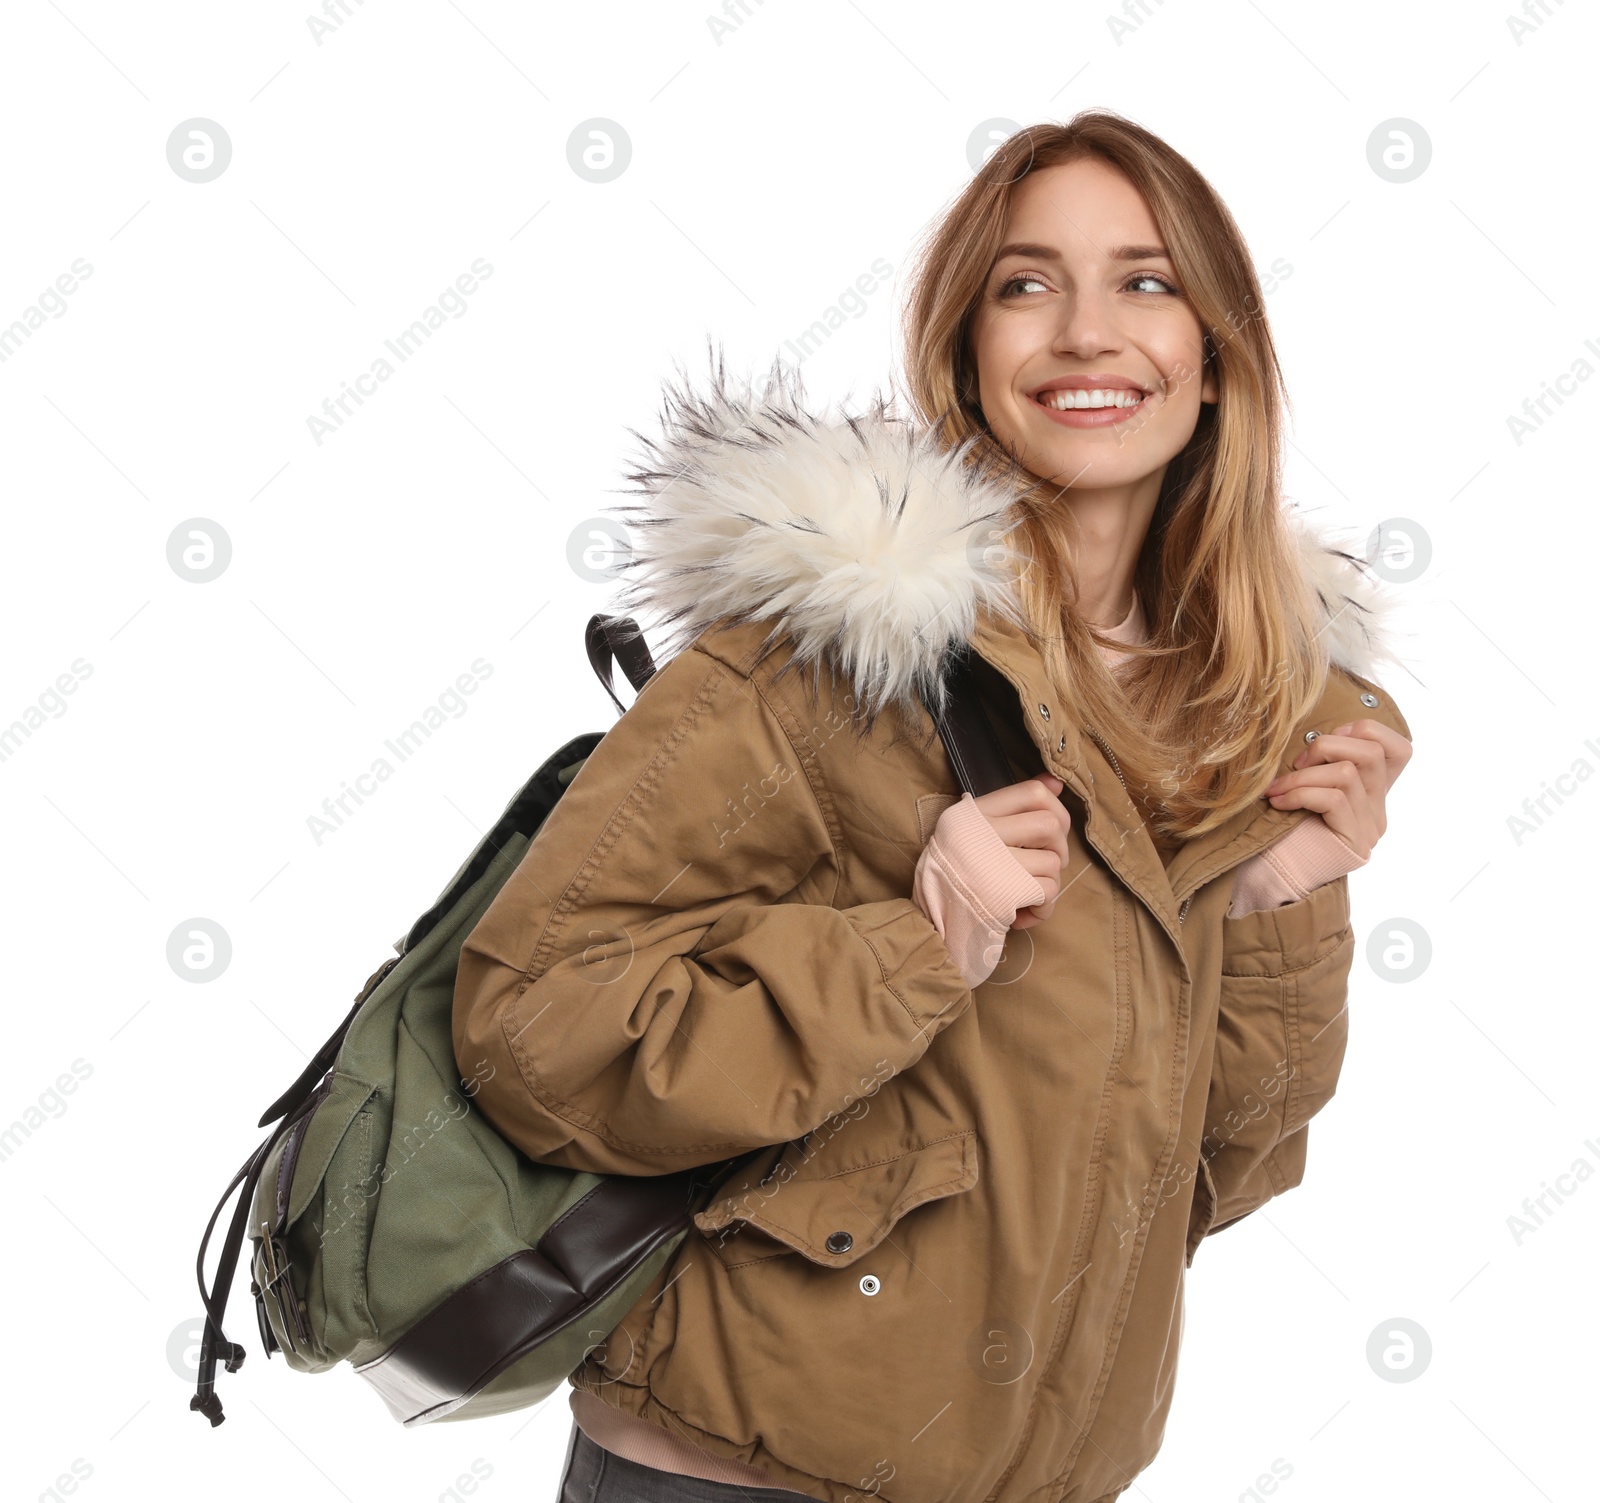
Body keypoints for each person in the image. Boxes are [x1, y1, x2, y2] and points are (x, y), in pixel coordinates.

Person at [451, 109, 1415, 1503]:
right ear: (969, 352)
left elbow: (1210, 1179)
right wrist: (918, 942)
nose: (1088, 331)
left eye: (1146, 282)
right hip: (738, 1475)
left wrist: (1284, 901)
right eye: (1027, 285)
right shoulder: (813, 658)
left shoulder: (1251, 714)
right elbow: (528, 1034)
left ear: (1217, 358)